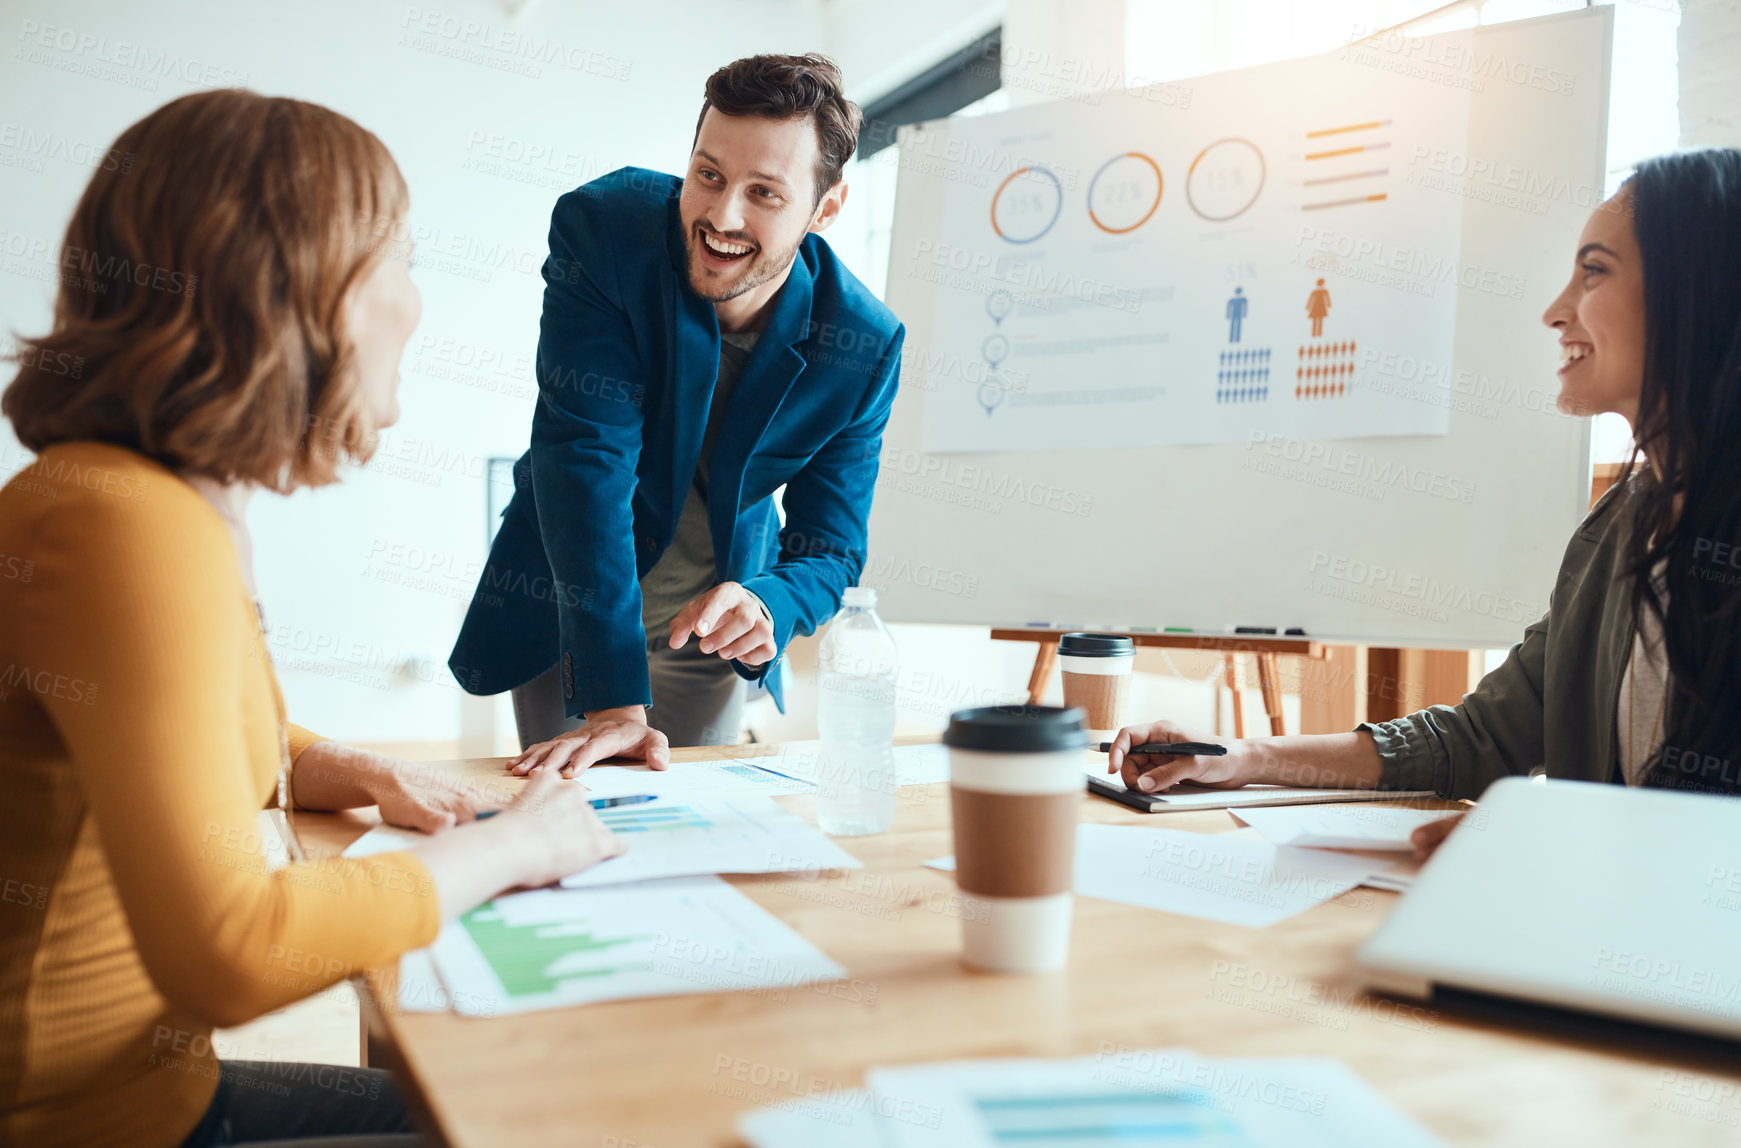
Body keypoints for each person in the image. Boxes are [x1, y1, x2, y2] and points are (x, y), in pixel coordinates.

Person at [0, 90, 623, 1148]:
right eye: (403, 261)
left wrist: (363, 770)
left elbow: (172, 727)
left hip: (157, 1097)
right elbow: (233, 949)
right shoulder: (125, 526)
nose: (418, 306)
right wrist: (513, 846)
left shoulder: (133, 500)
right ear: (299, 285)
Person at [1106, 149, 1741, 861]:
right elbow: (1481, 736)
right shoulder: (1617, 531)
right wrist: (1240, 759)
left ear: (1698, 290)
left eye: (1592, 271)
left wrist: (1553, 837)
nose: (1553, 311)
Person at [447, 54, 904, 775]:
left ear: (825, 210)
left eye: (764, 193)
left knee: (693, 827)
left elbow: (831, 548)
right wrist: (615, 702)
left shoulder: (863, 346)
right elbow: (585, 457)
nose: (721, 216)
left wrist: (769, 604)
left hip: (708, 638)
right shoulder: (606, 232)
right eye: (709, 175)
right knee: (566, 825)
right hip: (574, 614)